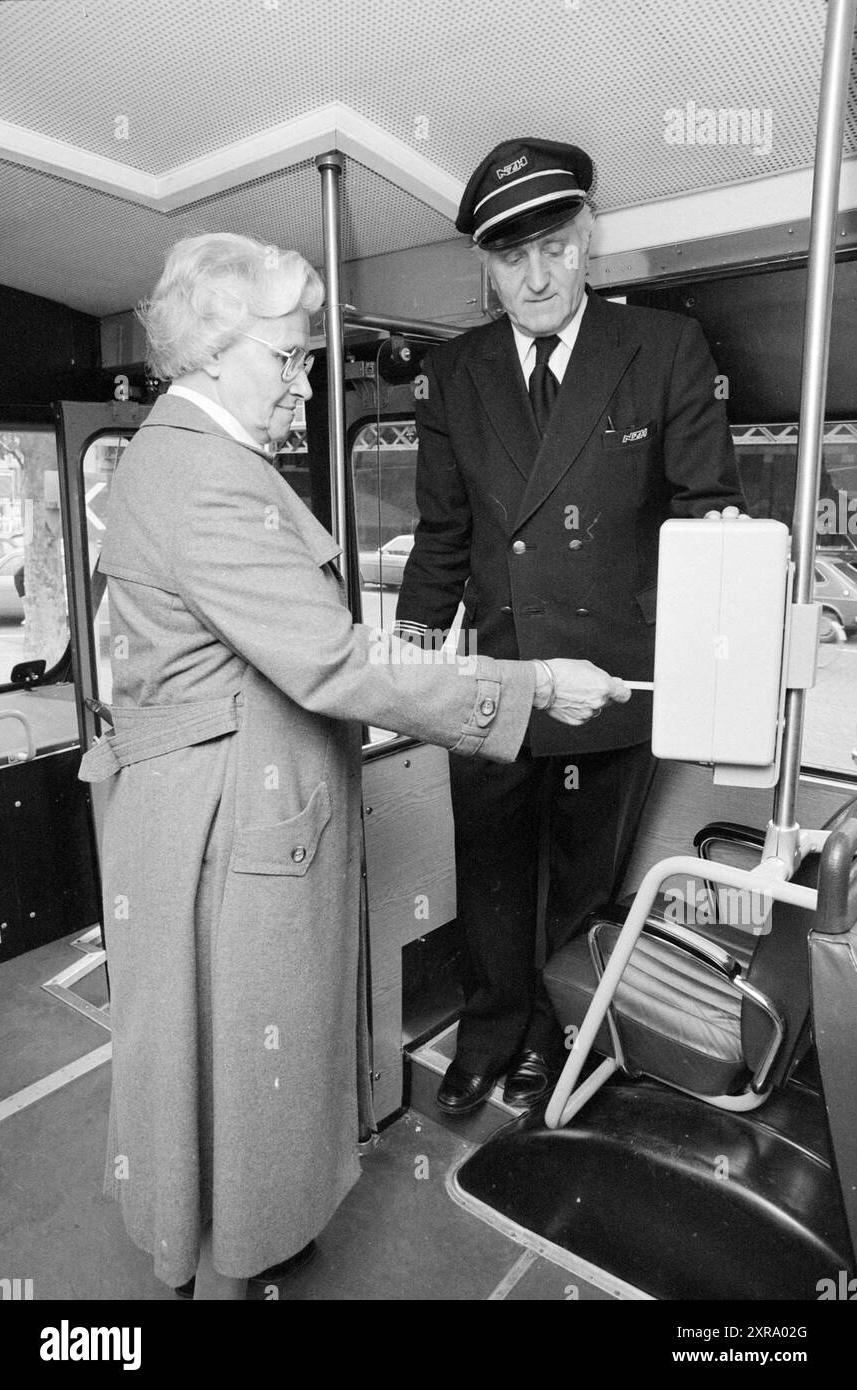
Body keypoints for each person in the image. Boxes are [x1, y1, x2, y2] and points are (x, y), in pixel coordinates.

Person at [78, 231, 630, 1300]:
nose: (303, 383)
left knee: (232, 1063)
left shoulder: (195, 454)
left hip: (225, 808)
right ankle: (231, 1260)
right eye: (286, 358)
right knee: (237, 1065)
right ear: (213, 350)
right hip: (229, 827)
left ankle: (245, 1237)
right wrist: (530, 686)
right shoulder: (205, 477)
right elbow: (330, 665)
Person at [395, 138, 747, 1118]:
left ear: (587, 239)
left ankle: (552, 1031)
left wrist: (723, 558)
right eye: (511, 257)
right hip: (498, 679)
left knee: (579, 882)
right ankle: (491, 1029)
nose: (536, 276)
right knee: (495, 874)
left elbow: (703, 506)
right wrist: (411, 656)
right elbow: (444, 534)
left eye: (554, 246)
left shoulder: (663, 349)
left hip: (613, 678)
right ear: (486, 265)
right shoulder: (452, 372)